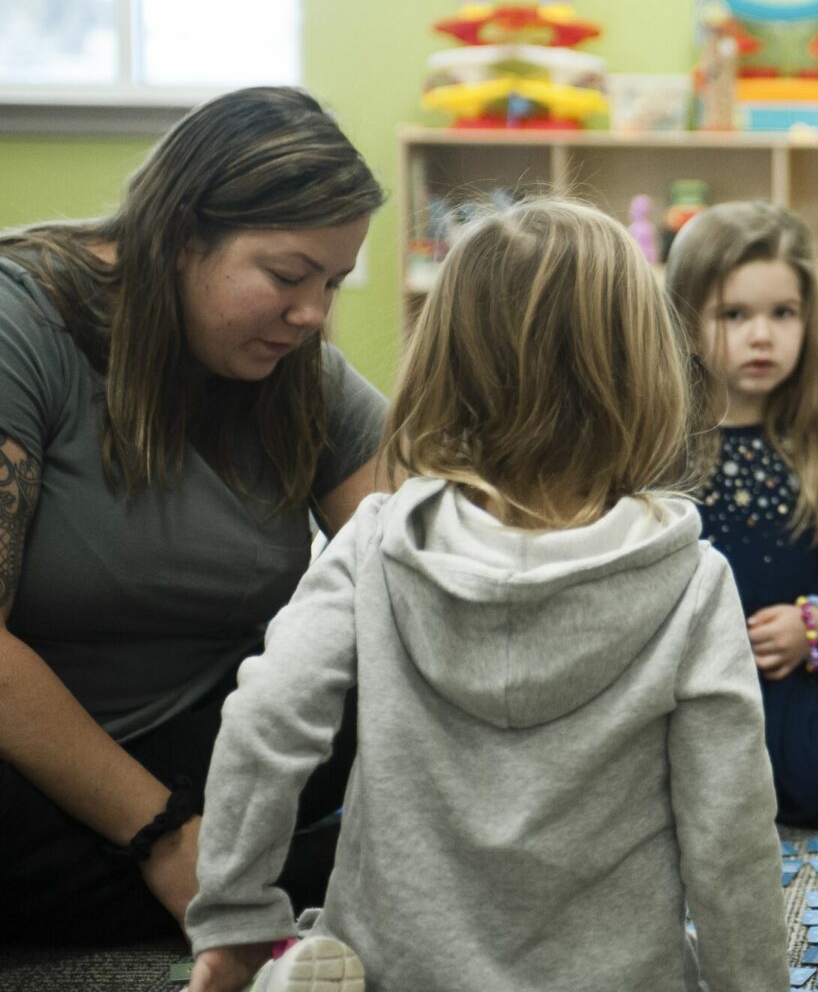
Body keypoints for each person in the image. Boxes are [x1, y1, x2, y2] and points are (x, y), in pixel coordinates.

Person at [185, 198, 786, 992]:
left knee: (317, 961)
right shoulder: (691, 580)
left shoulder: (378, 539)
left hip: (396, 965)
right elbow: (729, 826)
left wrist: (235, 916)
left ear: (446, 362)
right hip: (614, 977)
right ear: (646, 370)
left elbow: (267, 718)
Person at [0, 87, 386, 944]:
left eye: (332, 281)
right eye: (288, 276)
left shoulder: (296, 368)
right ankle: (283, 875)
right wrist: (163, 836)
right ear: (181, 234)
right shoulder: (19, 322)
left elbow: (417, 568)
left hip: (207, 743)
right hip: (33, 754)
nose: (313, 313)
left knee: (400, 672)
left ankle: (249, 874)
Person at [665, 200, 818, 827]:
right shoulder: (657, 440)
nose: (761, 334)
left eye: (782, 313)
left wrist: (816, 622)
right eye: (733, 314)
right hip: (676, 679)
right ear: (686, 323)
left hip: (777, 674)